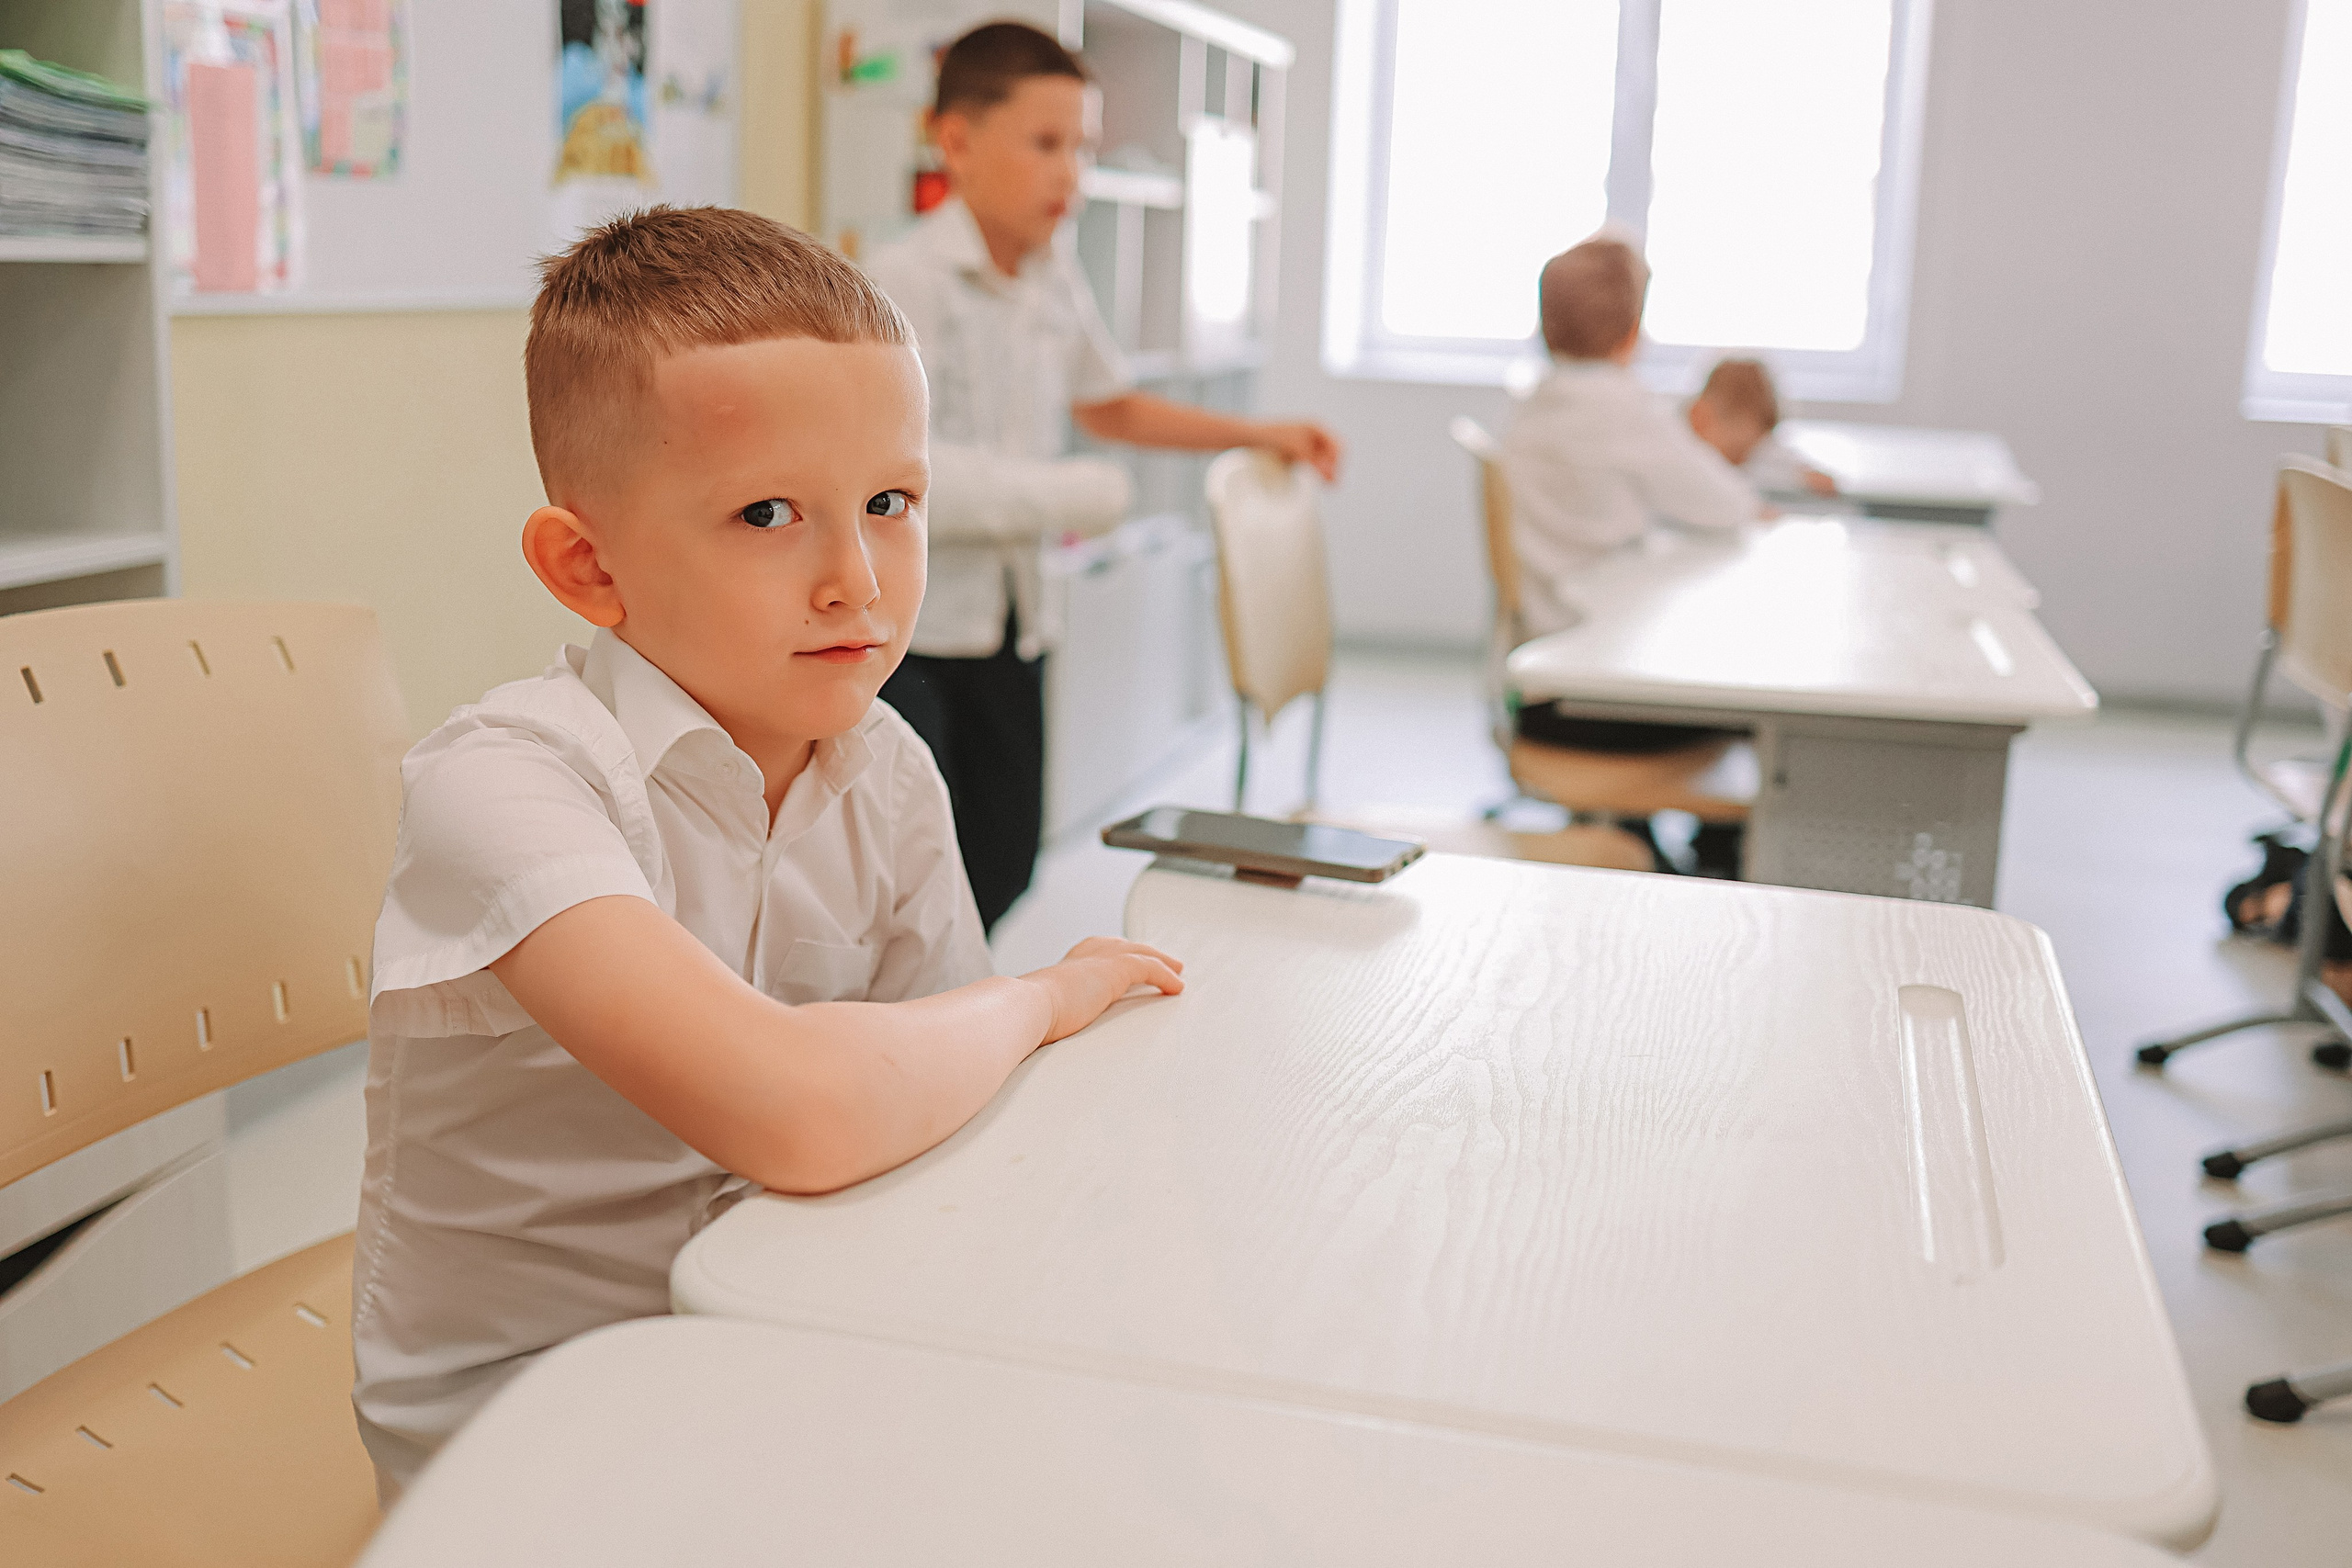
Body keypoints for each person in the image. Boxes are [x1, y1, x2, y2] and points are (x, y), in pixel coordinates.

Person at [349, 207, 1185, 1496]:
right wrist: (1044, 996)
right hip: (532, 1414)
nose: (857, 579)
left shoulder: (885, 767)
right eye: (767, 512)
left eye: (891, 502)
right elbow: (803, 1110)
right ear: (587, 566)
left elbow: (947, 1109)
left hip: (787, 1321)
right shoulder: (506, 782)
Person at [865, 20, 1343, 932]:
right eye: (1046, 144)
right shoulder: (902, 280)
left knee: (1006, 862)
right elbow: (896, 475)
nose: (1071, 174)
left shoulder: (1051, 275)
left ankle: (962, 1001)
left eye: (1082, 149)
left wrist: (1259, 432)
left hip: (1017, 622)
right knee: (919, 882)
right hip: (919, 636)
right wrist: (1076, 497)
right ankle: (932, 1015)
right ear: (955, 142)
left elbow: (1110, 403)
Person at [1498, 234, 1758, 875]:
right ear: (1631, 334)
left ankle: (1637, 835)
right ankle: (1719, 863)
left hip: (1538, 690)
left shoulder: (1535, 400)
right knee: (1757, 704)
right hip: (1593, 705)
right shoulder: (1620, 408)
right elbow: (1726, 504)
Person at [1686, 356, 1836, 497]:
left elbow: (1815, 478)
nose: (1741, 456)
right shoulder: (1689, 451)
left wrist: (1803, 476)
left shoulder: (1762, 453)